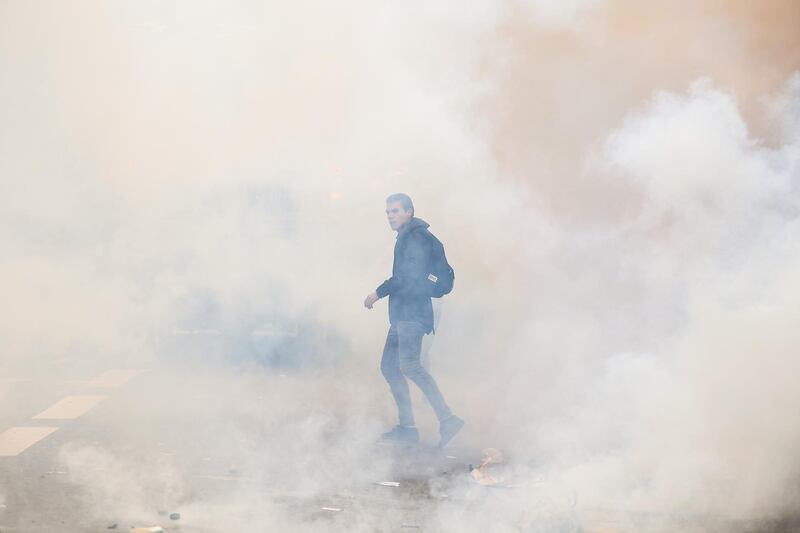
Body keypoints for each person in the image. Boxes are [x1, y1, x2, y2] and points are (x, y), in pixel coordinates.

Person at [364, 193, 464, 448]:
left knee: (409, 366)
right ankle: (408, 427)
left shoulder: (416, 238)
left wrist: (377, 292)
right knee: (390, 367)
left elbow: (406, 277)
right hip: (403, 315)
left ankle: (447, 418)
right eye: (387, 212)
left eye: (395, 211)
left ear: (409, 212)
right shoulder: (408, 237)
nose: (390, 216)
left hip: (412, 314)